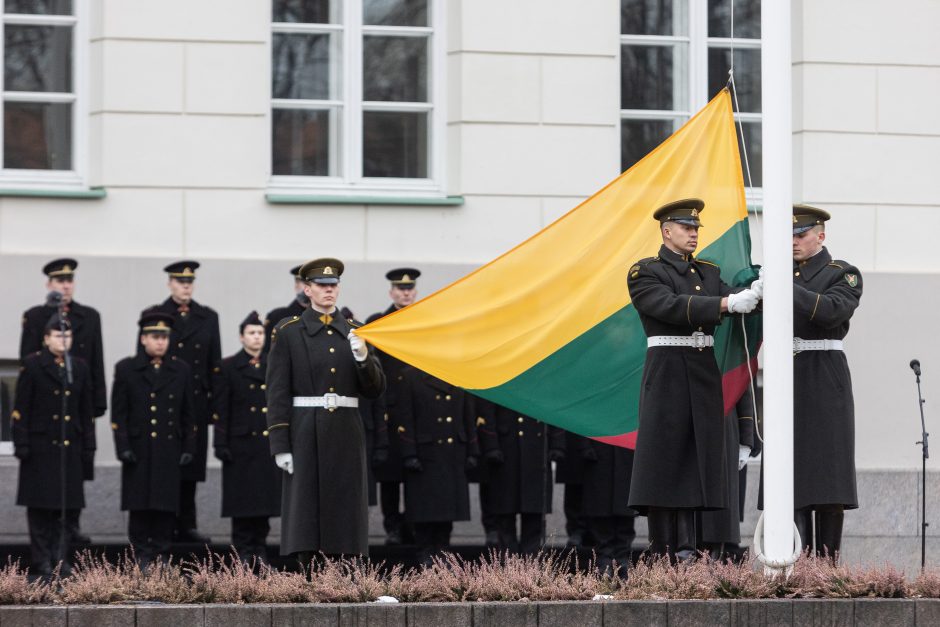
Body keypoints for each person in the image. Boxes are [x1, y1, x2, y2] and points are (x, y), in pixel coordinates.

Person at [627, 198, 761, 561]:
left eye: (696, 228)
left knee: (693, 460)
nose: (693, 234)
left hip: (701, 370)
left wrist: (758, 290)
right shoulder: (646, 272)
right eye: (687, 228)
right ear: (666, 230)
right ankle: (664, 549)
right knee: (665, 459)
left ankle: (688, 547)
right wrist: (725, 305)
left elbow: (733, 296)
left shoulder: (707, 272)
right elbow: (667, 305)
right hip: (668, 369)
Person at [266, 258, 385, 564]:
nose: (329, 291)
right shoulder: (289, 332)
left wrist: (363, 358)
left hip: (346, 427)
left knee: (346, 503)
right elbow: (278, 391)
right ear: (307, 289)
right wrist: (280, 444)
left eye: (333, 285)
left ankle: (345, 570)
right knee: (305, 505)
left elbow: (375, 389)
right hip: (305, 427)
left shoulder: (356, 331)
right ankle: (309, 573)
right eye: (322, 285)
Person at [790, 204, 862, 560]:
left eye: (800, 234)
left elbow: (833, 310)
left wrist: (785, 288)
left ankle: (826, 563)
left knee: (829, 469)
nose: (793, 242)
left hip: (825, 371)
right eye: (789, 235)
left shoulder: (842, 273)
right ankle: (798, 559)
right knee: (793, 472)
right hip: (791, 374)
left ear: (820, 235)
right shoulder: (782, 273)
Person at [20, 258, 105, 545]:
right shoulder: (35, 316)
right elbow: (27, 360)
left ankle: (71, 529)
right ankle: (48, 546)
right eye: (59, 280)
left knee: (73, 476)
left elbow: (96, 362)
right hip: (46, 407)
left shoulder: (89, 316)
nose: (65, 285)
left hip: (77, 403)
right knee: (46, 482)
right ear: (49, 285)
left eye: (69, 280)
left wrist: (96, 404)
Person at [111, 310, 196, 568]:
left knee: (165, 504)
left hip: (169, 447)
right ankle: (140, 555)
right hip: (139, 448)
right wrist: (123, 446)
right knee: (139, 506)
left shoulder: (180, 369)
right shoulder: (126, 368)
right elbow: (119, 413)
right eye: (155, 336)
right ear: (143, 339)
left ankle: (161, 554)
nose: (160, 342)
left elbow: (188, 413)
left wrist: (189, 446)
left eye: (164, 337)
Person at [12, 314, 94, 577]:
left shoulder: (79, 367)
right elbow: (21, 408)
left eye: (67, 336)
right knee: (40, 509)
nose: (63, 340)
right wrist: (21, 443)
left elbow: (85, 412)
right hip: (40, 449)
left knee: (66, 510)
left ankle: (61, 559)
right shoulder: (33, 365)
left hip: (69, 449)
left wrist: (88, 447)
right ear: (46, 338)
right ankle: (42, 560)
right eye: (58, 335)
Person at [145, 260, 221, 544]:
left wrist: (213, 408)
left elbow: (214, 364)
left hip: (197, 403)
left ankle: (187, 523)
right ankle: (162, 525)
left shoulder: (208, 317)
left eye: (189, 282)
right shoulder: (154, 315)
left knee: (190, 467)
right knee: (164, 464)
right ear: (170, 284)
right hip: (165, 400)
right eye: (180, 282)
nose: (185, 286)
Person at [213, 311, 281, 565]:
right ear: (242, 337)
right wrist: (219, 442)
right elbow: (221, 408)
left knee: (263, 502)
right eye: (252, 333)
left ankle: (259, 549)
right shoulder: (228, 366)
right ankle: (242, 551)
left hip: (266, 443)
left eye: (260, 333)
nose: (257, 338)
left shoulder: (273, 365)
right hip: (239, 444)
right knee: (242, 502)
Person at [395, 367, 480, 565]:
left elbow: (469, 415)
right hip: (425, 454)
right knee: (424, 510)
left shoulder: (458, 373)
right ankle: (424, 551)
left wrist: (472, 450)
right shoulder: (411, 377)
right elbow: (404, 416)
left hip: (452, 453)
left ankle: (443, 550)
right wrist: (409, 452)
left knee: (446, 510)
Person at [367, 268, 421, 545]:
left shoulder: (424, 322)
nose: (405, 293)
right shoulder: (377, 323)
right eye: (400, 289)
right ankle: (392, 527)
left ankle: (413, 523)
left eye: (409, 288)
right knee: (389, 475)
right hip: (388, 409)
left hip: (416, 410)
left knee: (415, 473)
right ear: (391, 292)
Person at [478, 404, 565, 555]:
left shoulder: (543, 381)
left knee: (534, 513)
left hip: (537, 452)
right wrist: (490, 445)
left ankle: (530, 561)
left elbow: (555, 409)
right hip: (505, 453)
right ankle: (508, 562)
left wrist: (557, 444)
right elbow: (487, 411)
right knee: (504, 513)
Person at [698, 385, 756, 559]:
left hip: (722, 424)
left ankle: (715, 560)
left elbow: (742, 386)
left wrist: (746, 440)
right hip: (692, 422)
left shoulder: (731, 356)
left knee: (719, 512)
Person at [579, 438, 637, 573]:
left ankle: (622, 560)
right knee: (600, 510)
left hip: (628, 451)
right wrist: (584, 446)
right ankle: (604, 559)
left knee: (625, 509)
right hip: (599, 450)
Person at [263, 264, 308, 354]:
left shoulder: (325, 317)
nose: (308, 288)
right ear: (296, 285)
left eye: (312, 284)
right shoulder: (277, 317)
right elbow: (266, 353)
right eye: (304, 282)